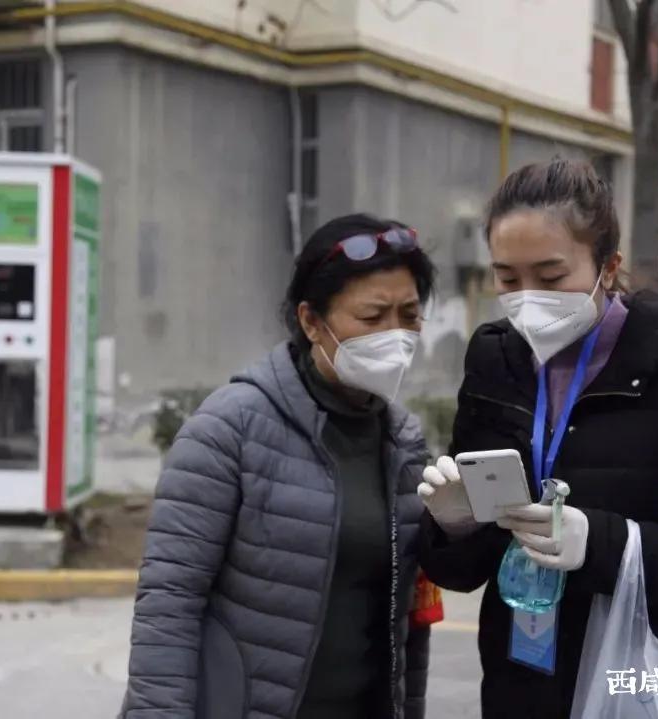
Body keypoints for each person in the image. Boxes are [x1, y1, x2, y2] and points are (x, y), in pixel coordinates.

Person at [418, 158, 658, 718]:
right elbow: (468, 568)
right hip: (522, 682)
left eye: (551, 277)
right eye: (508, 279)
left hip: (647, 687)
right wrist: (454, 528)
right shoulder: (496, 361)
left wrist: (602, 544)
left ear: (608, 268)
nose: (527, 299)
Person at [122, 214, 437, 719]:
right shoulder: (229, 428)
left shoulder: (403, 443)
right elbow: (169, 604)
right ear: (311, 321)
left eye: (409, 315)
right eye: (373, 316)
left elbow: (409, 622)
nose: (394, 335)